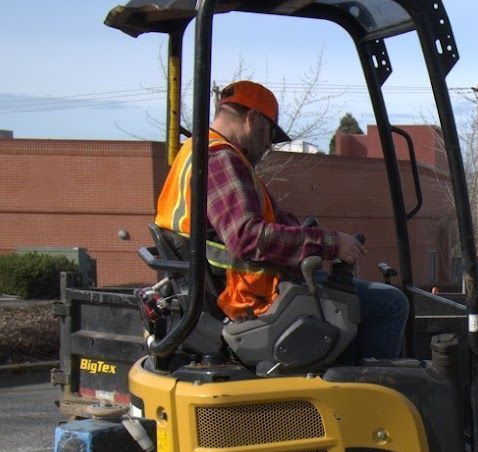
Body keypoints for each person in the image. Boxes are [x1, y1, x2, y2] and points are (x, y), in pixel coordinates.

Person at [154, 79, 407, 362]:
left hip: (236, 290)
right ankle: (372, 394)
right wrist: (332, 244)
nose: (267, 145)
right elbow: (249, 237)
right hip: (250, 300)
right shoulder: (221, 160)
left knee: (354, 298)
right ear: (252, 119)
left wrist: (311, 236)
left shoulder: (198, 152)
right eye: (269, 134)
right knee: (389, 303)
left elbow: (263, 221)